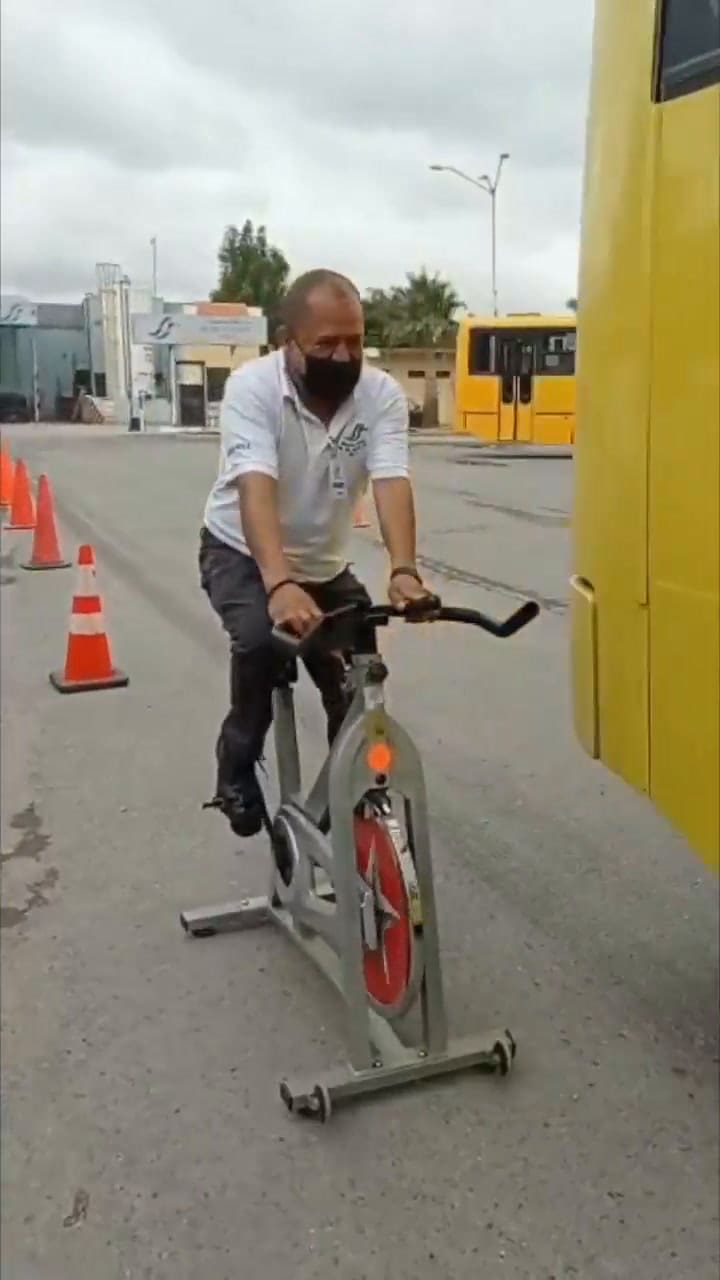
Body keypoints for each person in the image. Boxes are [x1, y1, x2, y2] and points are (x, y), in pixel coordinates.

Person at [199, 268, 432, 837]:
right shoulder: (253, 389)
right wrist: (279, 585)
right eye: (326, 344)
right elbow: (255, 485)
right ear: (289, 342)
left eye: (354, 341)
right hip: (242, 552)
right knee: (260, 643)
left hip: (324, 564)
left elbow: (391, 480)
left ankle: (349, 785)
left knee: (357, 672)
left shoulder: (380, 395)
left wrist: (404, 570)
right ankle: (235, 765)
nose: (343, 355)